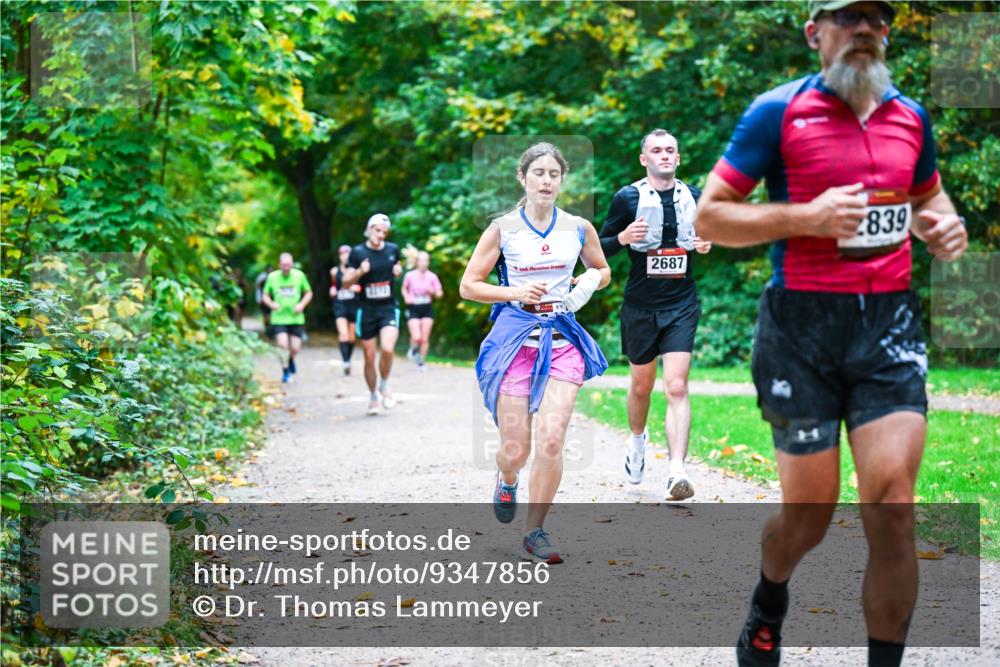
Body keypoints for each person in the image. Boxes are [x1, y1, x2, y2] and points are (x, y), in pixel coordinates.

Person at [694, 2, 969, 665]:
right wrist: (806, 217)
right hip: (800, 329)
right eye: (848, 16)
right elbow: (710, 217)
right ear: (815, 32)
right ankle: (769, 597)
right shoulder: (777, 112)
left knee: (893, 504)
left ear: (887, 33)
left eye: (876, 16)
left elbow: (927, 195)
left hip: (886, 326)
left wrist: (944, 223)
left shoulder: (911, 116)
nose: (864, 28)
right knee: (811, 514)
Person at [460, 142, 611, 564]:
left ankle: (535, 531)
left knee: (551, 439)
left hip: (562, 340)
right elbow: (468, 285)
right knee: (516, 449)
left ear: (562, 181)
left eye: (554, 174)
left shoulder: (578, 227)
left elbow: (602, 270)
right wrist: (513, 292)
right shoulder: (503, 229)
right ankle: (506, 478)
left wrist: (587, 284)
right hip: (515, 343)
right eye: (538, 173)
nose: (546, 181)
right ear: (522, 178)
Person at [598, 129, 712, 500]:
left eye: (671, 151)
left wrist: (708, 242)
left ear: (678, 159)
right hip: (639, 307)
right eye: (656, 150)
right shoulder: (627, 198)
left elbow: (713, 233)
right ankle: (636, 442)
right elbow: (597, 249)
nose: (664, 155)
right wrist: (623, 239)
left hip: (681, 304)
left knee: (676, 385)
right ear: (644, 158)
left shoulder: (695, 196)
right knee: (642, 387)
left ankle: (677, 471)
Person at [341, 214, 403, 415]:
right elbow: (346, 283)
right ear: (369, 229)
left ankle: (384, 384)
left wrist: (398, 271)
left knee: (387, 348)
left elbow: (397, 267)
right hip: (366, 310)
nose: (381, 235)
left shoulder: (392, 250)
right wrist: (360, 271)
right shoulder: (358, 253)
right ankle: (373, 396)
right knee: (369, 356)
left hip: (388, 308)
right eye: (377, 230)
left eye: (384, 232)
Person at [261, 253, 313, 384]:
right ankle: (285, 371)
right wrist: (272, 304)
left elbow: (309, 293)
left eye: (289, 265)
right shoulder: (272, 277)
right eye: (284, 265)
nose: (286, 267)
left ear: (292, 264)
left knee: (295, 348)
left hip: (296, 318)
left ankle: (290, 361)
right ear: (279, 265)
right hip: (279, 318)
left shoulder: (299, 275)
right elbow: (265, 296)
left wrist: (302, 304)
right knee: (282, 345)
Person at [402, 251, 444, 371]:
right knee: (416, 336)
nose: (424, 263)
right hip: (413, 308)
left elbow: (440, 293)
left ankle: (421, 363)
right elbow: (404, 289)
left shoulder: (432, 276)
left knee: (424, 338)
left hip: (427, 308)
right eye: (421, 260)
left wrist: (433, 292)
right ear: (417, 262)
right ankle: (413, 349)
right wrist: (406, 297)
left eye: (426, 260)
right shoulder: (409, 275)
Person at [330, 245, 362, 376]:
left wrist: (357, 288)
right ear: (340, 256)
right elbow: (333, 285)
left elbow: (362, 286)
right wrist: (332, 289)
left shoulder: (355, 271)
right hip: (340, 304)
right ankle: (346, 362)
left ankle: (349, 358)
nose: (345, 257)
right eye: (343, 254)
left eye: (348, 254)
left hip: (353, 305)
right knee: (343, 334)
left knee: (351, 337)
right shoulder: (334, 271)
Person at [254, 265, 273, 338]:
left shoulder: (275, 278)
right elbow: (257, 288)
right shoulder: (262, 278)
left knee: (272, 316)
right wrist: (259, 299)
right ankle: (267, 329)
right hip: (264, 300)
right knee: (266, 316)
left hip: (273, 300)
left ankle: (271, 331)